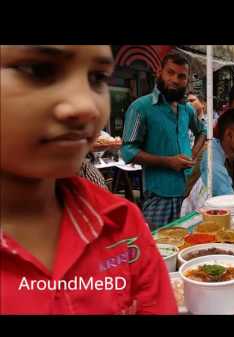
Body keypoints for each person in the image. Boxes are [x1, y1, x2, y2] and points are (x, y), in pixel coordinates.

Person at [0, 45, 177, 314]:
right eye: (38, 70)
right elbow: (129, 150)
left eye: (97, 78)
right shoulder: (142, 108)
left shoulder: (121, 224)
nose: (87, 107)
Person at [121, 51, 207, 229]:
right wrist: (167, 162)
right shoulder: (141, 108)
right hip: (159, 196)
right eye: (170, 73)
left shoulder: (187, 110)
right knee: (161, 248)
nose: (175, 80)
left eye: (181, 76)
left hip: (189, 193)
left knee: (187, 247)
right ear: (159, 72)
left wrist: (192, 154)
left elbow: (203, 131)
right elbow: (127, 151)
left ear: (187, 80)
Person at [182, 109, 234, 213]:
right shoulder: (212, 160)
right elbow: (229, 200)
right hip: (198, 221)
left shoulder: (233, 155)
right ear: (229, 135)